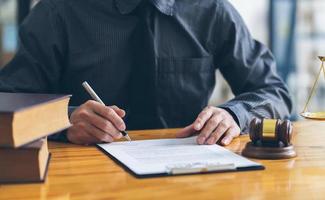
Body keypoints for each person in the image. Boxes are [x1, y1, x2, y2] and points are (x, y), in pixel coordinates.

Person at [0, 0, 292, 145]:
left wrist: (234, 114)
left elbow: (273, 93)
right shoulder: (58, 12)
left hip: (191, 176)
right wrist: (65, 120)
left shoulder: (211, 9)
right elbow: (8, 102)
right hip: (81, 180)